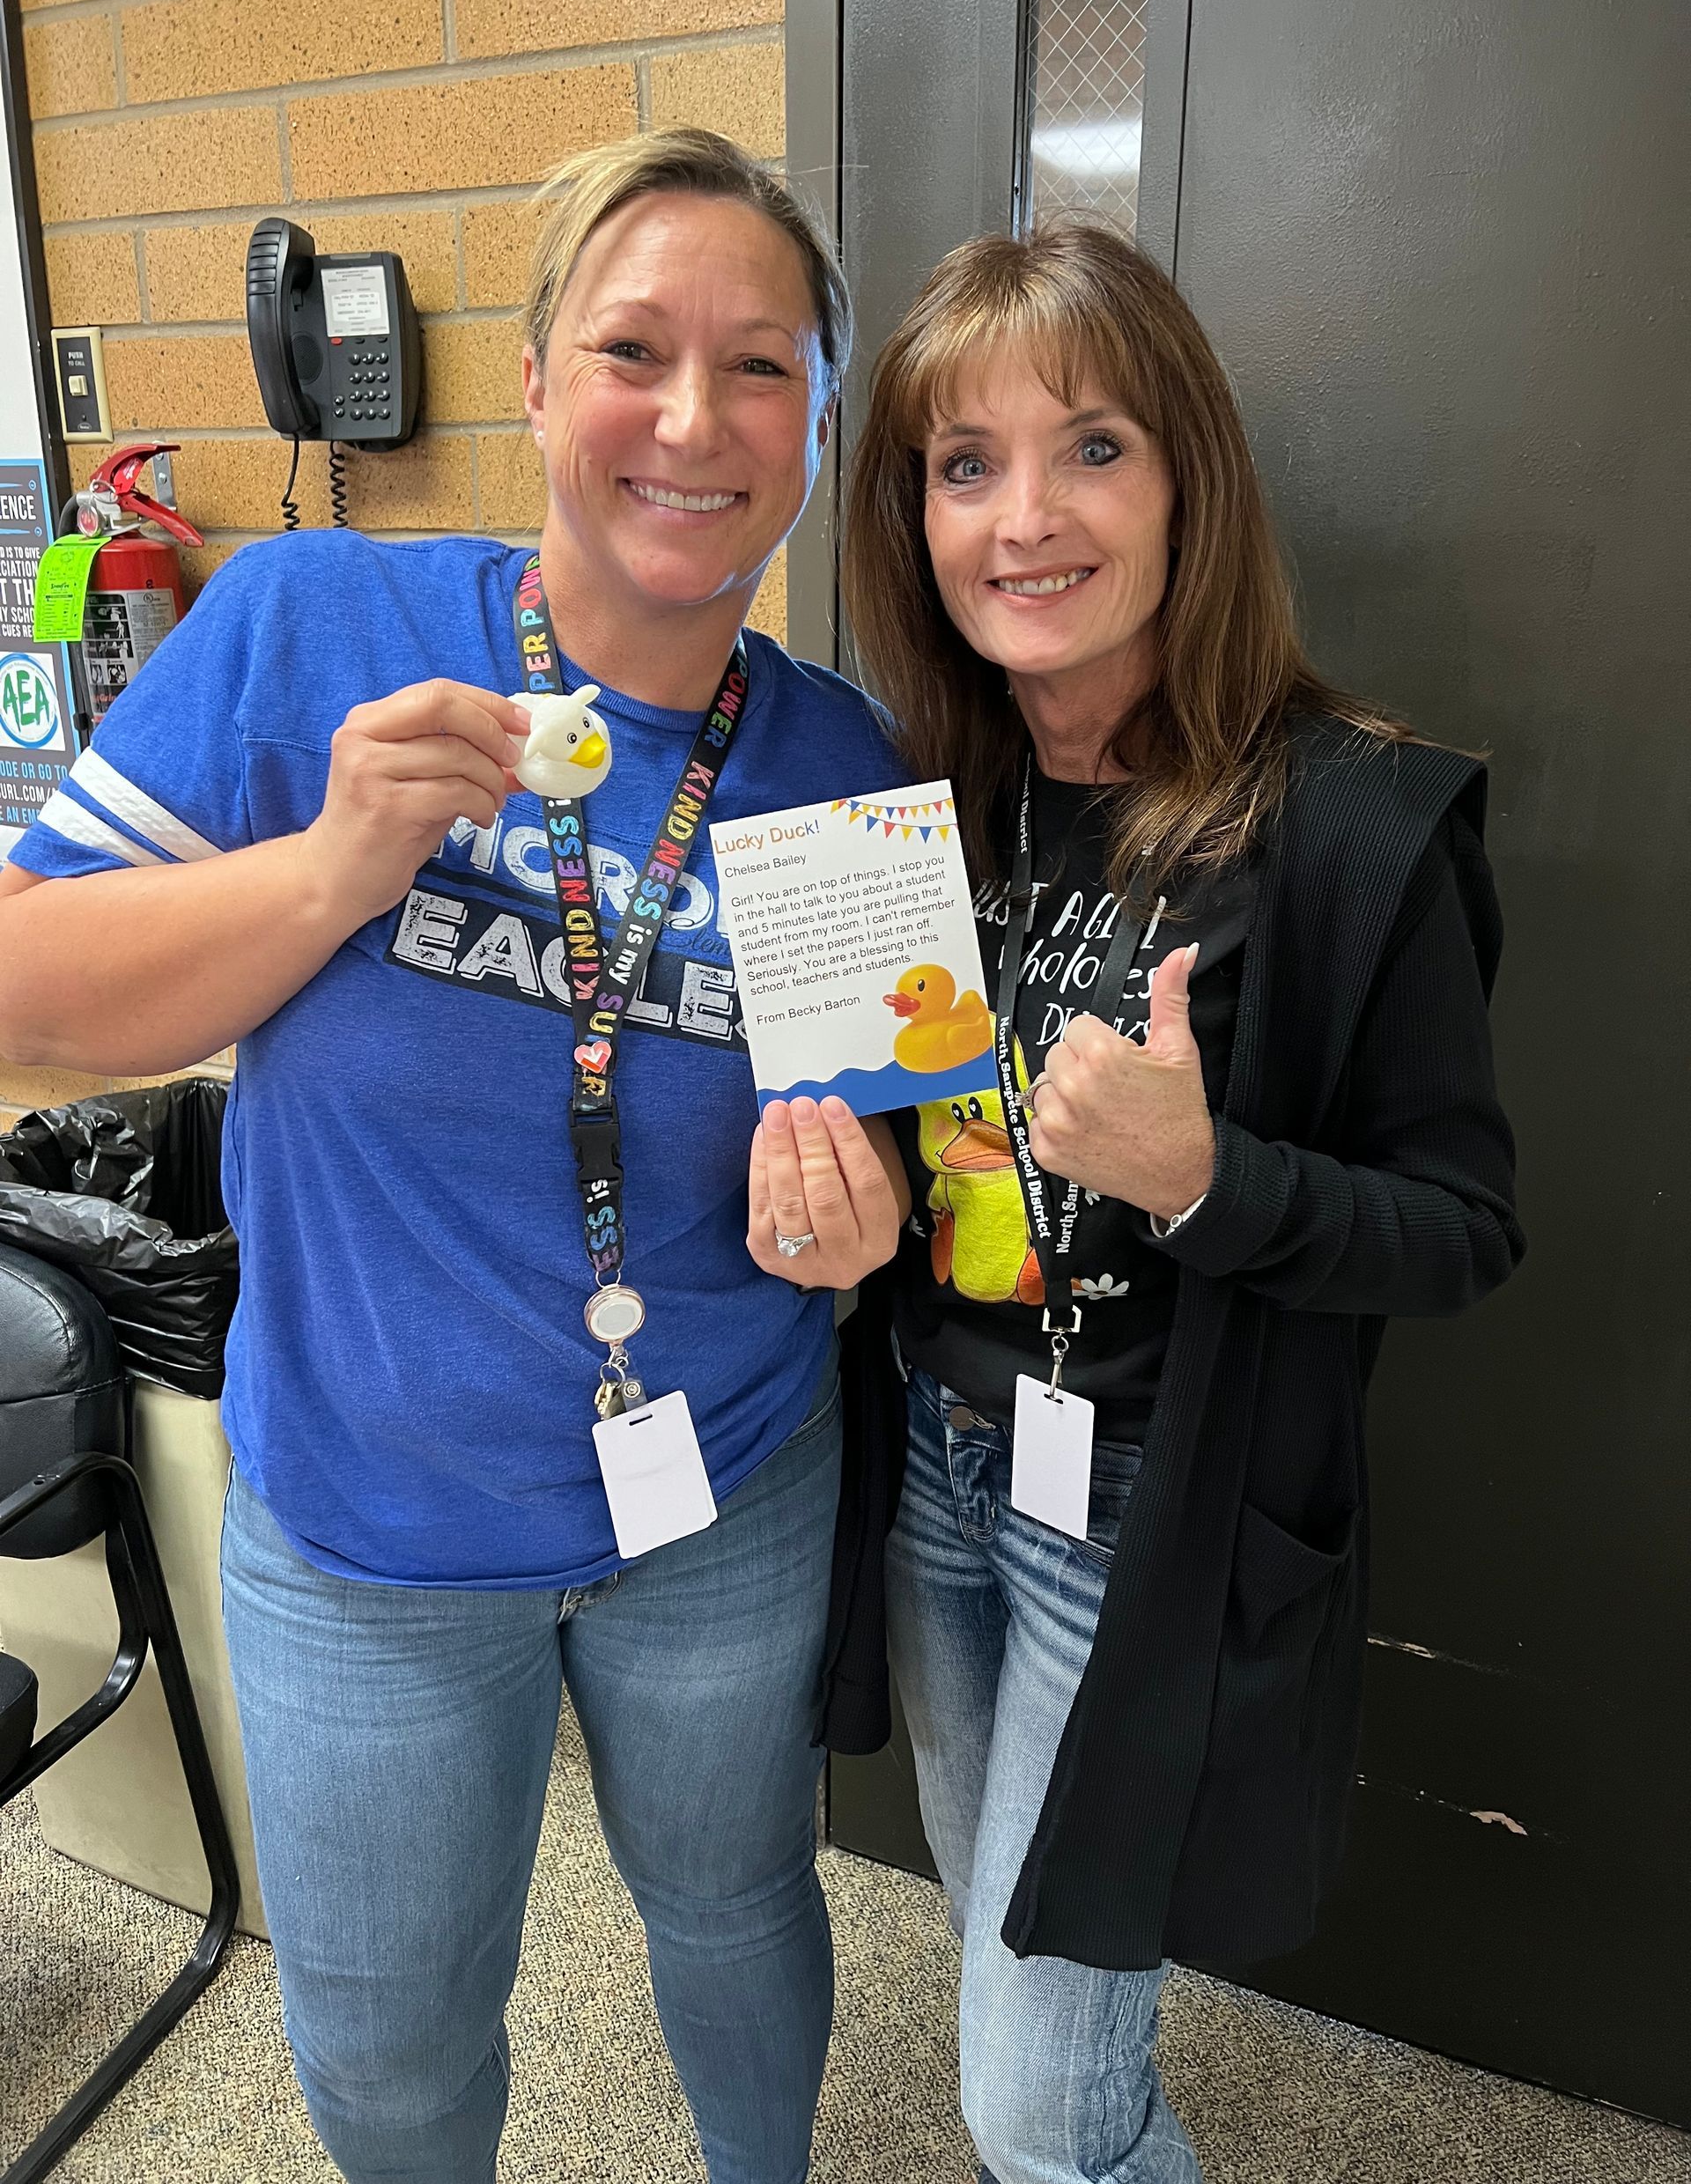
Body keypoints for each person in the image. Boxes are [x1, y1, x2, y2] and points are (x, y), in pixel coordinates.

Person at [0, 129, 910, 2184]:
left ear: (821, 424)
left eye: (764, 366)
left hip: (725, 1490)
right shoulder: (317, 623)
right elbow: (23, 998)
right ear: (530, 383)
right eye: (634, 349)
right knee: (396, 2031)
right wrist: (330, 867)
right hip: (368, 1529)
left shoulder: (848, 762)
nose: (696, 418)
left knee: (742, 1903)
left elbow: (877, 1157)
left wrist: (851, 1228)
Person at [764, 223, 1524, 2183]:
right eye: (963, 463)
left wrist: (1208, 1178)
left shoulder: (1350, 827)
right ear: (911, 512)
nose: (1027, 516)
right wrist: (830, 1213)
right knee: (1006, 1948)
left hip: (1150, 1516)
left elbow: (1461, 1223)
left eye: (1092, 445)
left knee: (1031, 2091)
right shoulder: (909, 794)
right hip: (936, 1463)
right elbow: (879, 1162)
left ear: (1189, 475)